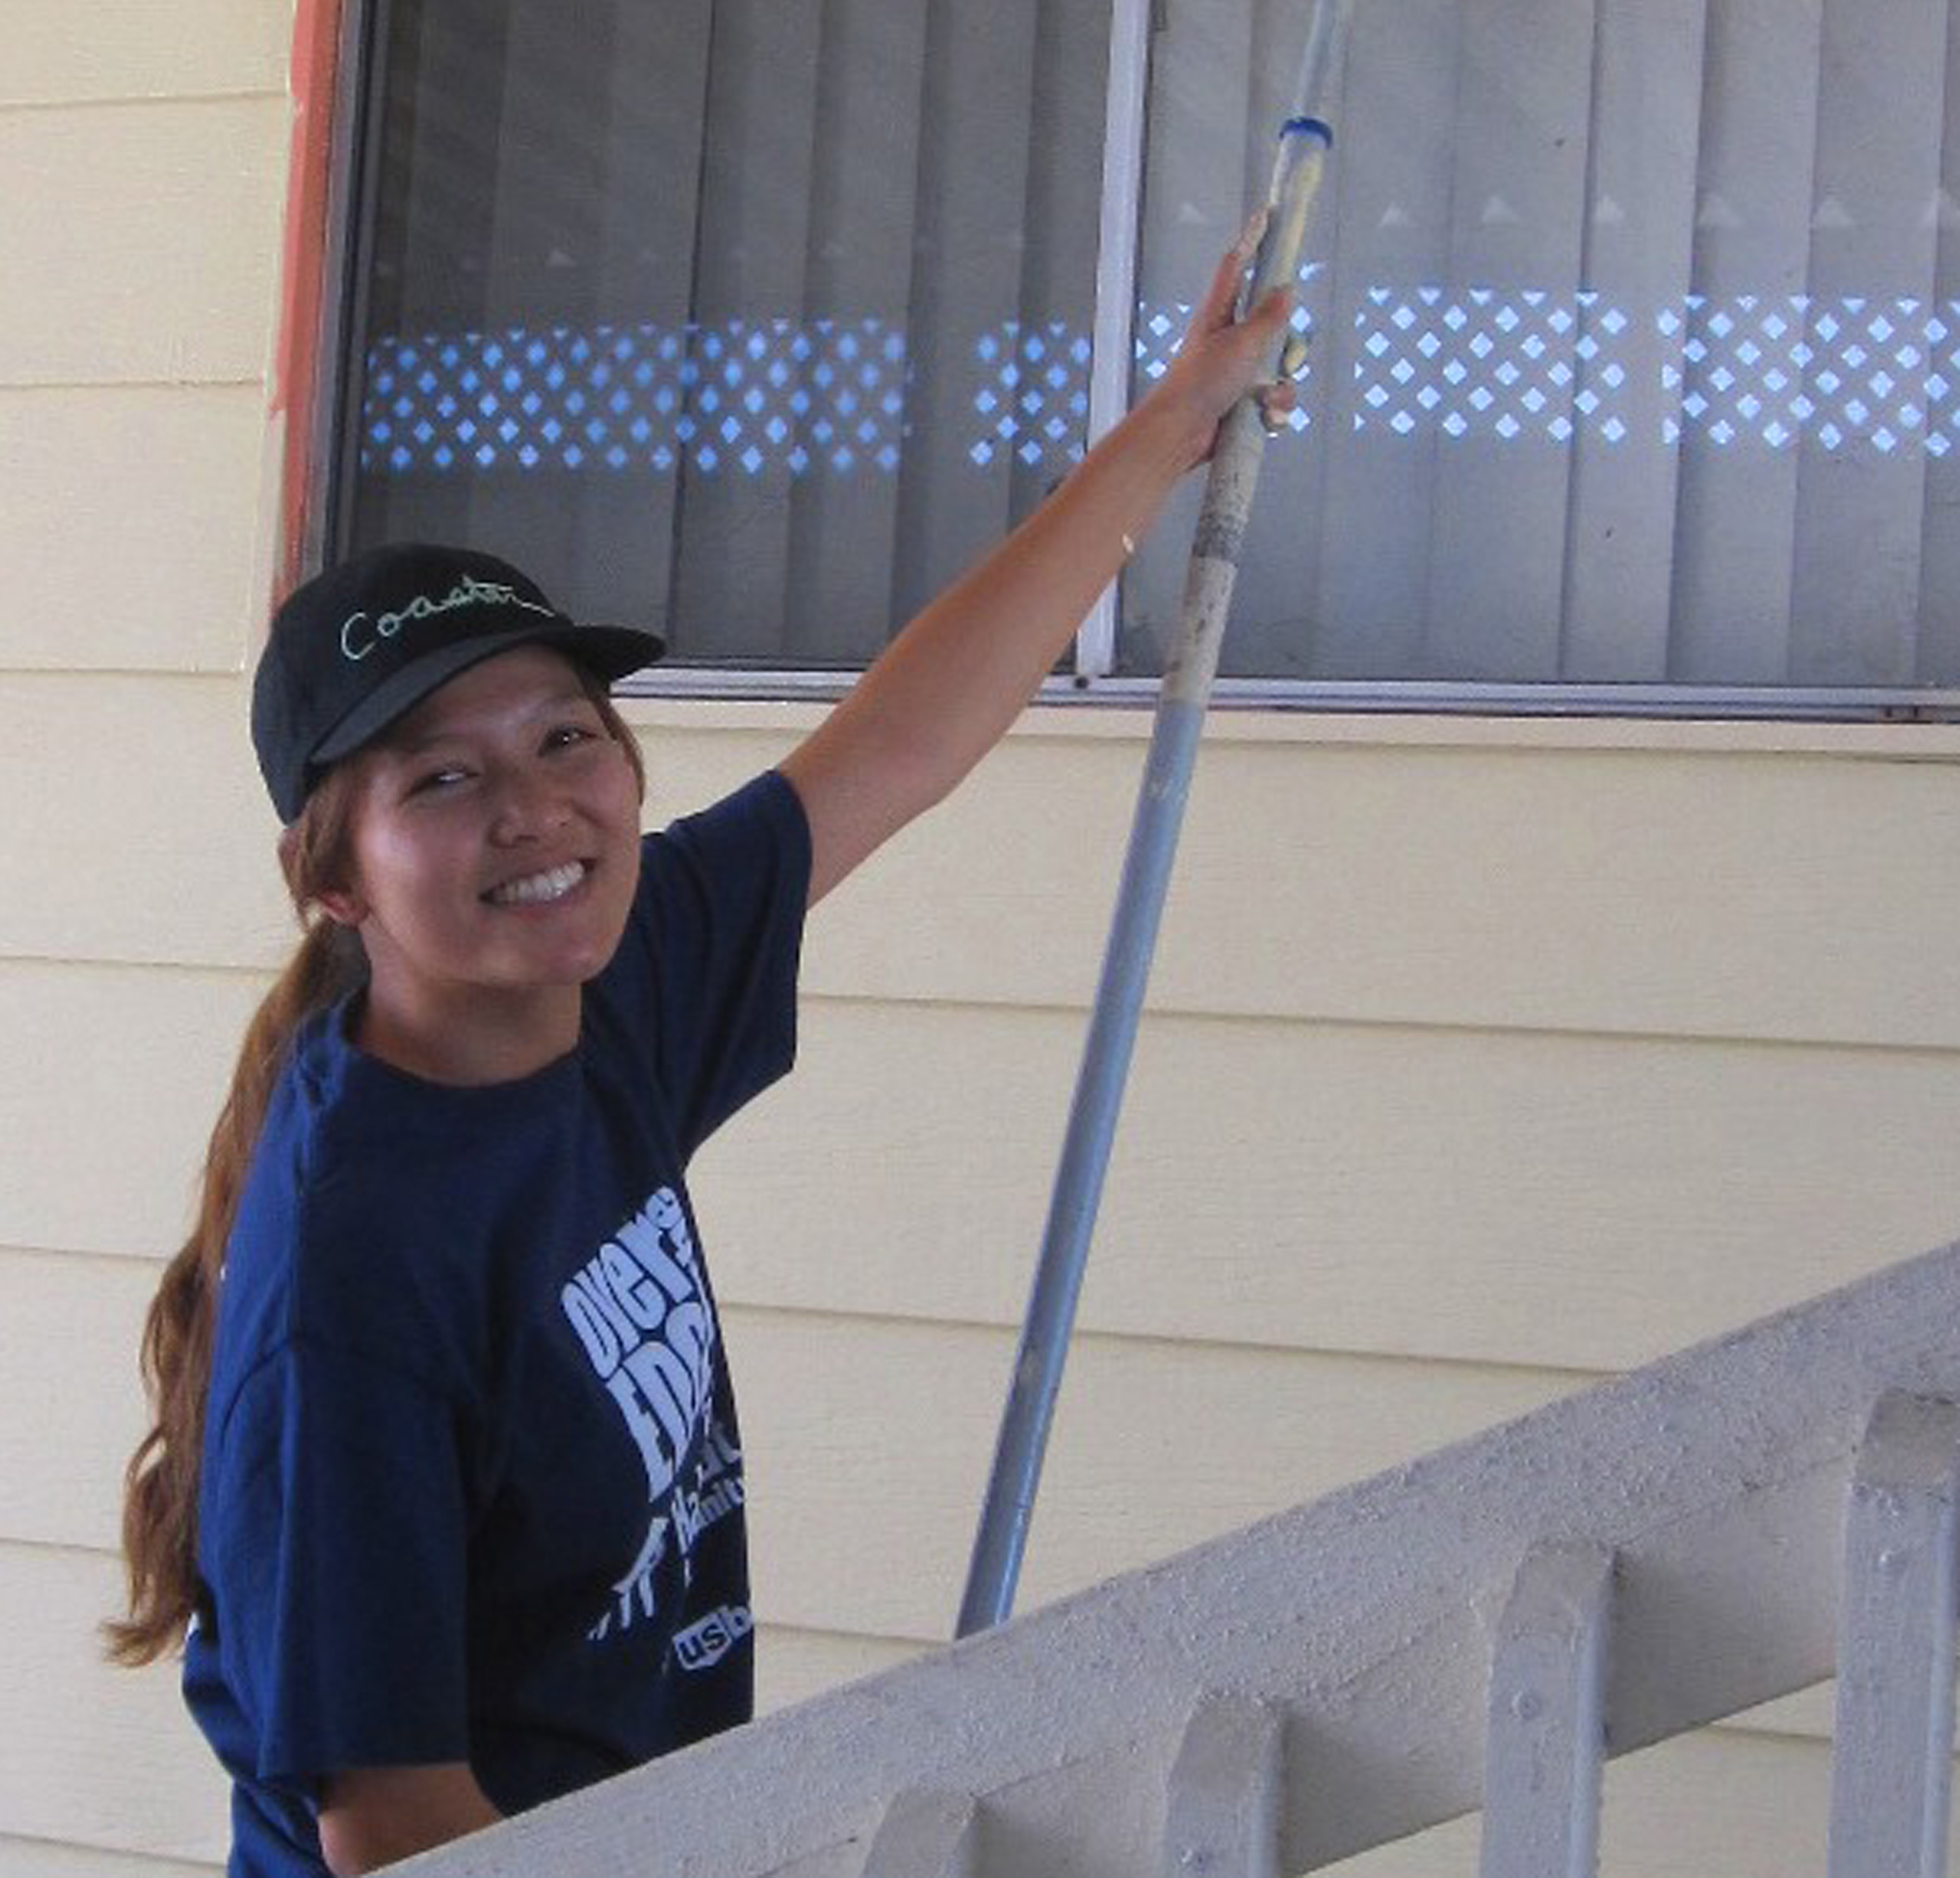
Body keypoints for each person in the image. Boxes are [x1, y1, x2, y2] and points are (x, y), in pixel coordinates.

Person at [107, 228, 1296, 1878]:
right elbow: (394, 1834)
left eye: (565, 736)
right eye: (439, 780)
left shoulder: (602, 980)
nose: (535, 807)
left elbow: (896, 741)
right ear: (332, 875)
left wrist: (1172, 422)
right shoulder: (352, 1296)